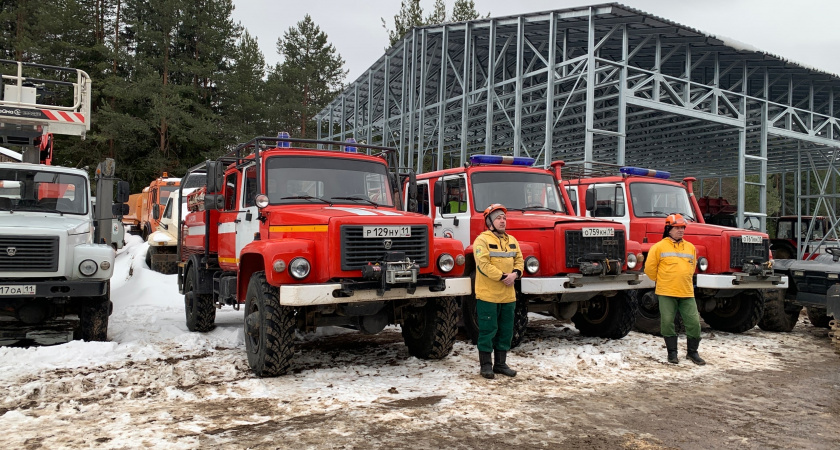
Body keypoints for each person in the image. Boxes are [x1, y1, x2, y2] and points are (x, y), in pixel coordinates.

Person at [644, 214, 706, 365]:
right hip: (666, 292)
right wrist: (663, 281)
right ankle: (672, 353)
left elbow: (691, 268)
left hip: (686, 292)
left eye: (682, 228)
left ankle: (692, 353)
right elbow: (649, 269)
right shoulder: (658, 247)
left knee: (694, 323)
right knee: (667, 322)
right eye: (677, 228)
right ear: (668, 229)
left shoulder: (690, 247)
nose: (681, 230)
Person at [473, 203, 524, 379]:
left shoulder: (512, 240)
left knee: (506, 330)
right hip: (488, 295)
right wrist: (504, 277)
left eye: (504, 218)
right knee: (488, 330)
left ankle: (500, 364)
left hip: (508, 296)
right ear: (489, 222)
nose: (502, 221)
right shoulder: (482, 241)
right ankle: (486, 366)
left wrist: (516, 274)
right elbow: (483, 265)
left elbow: (519, 260)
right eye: (498, 218)